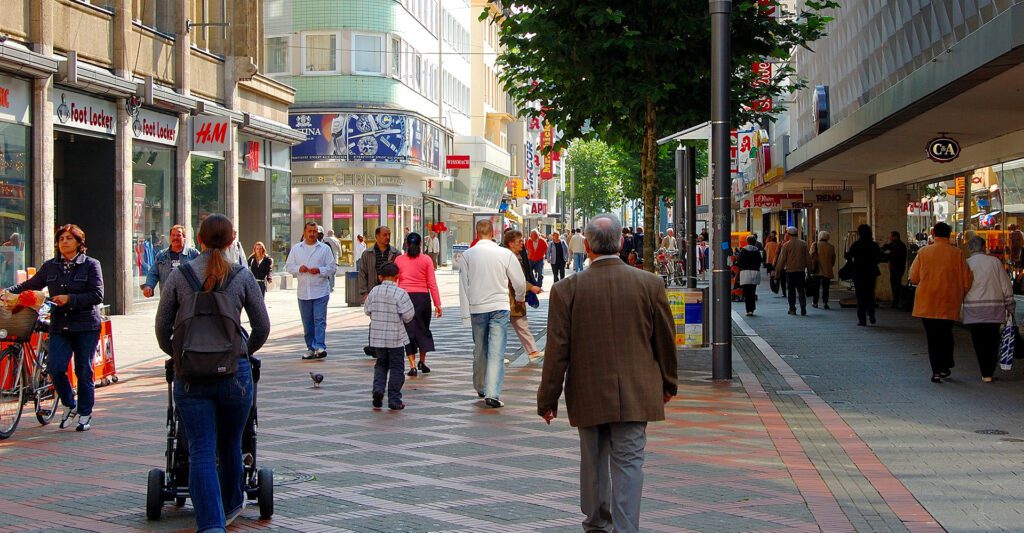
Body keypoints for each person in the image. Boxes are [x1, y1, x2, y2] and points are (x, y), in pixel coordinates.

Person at [538, 213, 678, 533]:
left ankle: (597, 522)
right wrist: (668, 383)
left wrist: (548, 399)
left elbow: (557, 351)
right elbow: (664, 340)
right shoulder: (649, 284)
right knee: (629, 463)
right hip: (636, 391)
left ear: (586, 246)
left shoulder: (566, 289)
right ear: (620, 243)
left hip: (586, 391)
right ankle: (627, 528)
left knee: (593, 461)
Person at [154, 214, 270, 532]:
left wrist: (179, 356)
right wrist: (243, 353)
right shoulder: (242, 275)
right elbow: (262, 326)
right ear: (233, 240)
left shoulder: (181, 275)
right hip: (235, 373)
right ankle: (232, 504)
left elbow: (162, 327)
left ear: (199, 240)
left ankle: (211, 526)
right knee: (232, 441)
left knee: (201, 447)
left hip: (191, 375)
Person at [3, 224, 103, 432]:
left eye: (68, 238)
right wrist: (6, 292)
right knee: (55, 367)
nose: (64, 242)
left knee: (83, 370)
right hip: (60, 325)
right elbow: (30, 285)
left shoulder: (91, 265)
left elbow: (97, 295)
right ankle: (69, 403)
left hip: (86, 325)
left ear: (79, 242)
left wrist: (70, 298)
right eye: (60, 239)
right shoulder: (51, 266)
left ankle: (85, 413)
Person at [459, 219, 527, 408]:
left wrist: (465, 314)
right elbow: (519, 282)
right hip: (499, 306)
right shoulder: (504, 254)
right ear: (493, 233)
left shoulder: (467, 255)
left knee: (480, 349)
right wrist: (520, 297)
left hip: (477, 307)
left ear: (476, 233)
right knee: (496, 351)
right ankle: (492, 392)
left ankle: (480, 386)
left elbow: (463, 285)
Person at [910, 222, 973, 383]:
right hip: (949, 300)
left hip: (927, 301)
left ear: (933, 233)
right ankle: (945, 365)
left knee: (932, 337)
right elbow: (967, 280)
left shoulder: (923, 252)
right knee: (945, 333)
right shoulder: (957, 253)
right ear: (949, 234)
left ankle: (936, 370)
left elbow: (914, 277)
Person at [962, 236, 1015, 383]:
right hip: (994, 309)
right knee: (992, 341)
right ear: (984, 247)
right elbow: (1006, 285)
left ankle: (984, 371)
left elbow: (962, 287)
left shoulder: (966, 264)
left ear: (970, 249)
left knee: (979, 341)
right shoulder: (995, 262)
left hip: (973, 310)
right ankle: (989, 371)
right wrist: (1010, 304)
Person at [365, 262, 416, 410]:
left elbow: (367, 310)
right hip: (396, 338)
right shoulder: (400, 293)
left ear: (380, 277)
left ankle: (378, 390)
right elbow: (409, 315)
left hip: (378, 337)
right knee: (396, 368)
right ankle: (394, 399)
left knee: (381, 364)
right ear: (397, 277)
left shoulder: (374, 292)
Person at [285, 222, 338, 360]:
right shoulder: (297, 249)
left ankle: (320, 346)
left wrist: (320, 270)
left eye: (315, 231)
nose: (312, 234)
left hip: (320, 290)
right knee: (307, 322)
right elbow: (289, 266)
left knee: (319, 319)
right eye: (310, 231)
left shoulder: (324, 249)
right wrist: (298, 269)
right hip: (303, 292)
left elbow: (332, 267)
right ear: (304, 232)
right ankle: (310, 347)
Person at [395, 232, 441, 377]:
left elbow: (396, 282)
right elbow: (432, 283)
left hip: (404, 298)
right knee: (423, 329)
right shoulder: (427, 260)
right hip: (423, 299)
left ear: (407, 244)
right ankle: (423, 361)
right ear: (421, 244)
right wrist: (438, 304)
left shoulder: (399, 260)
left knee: (408, 333)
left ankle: (412, 366)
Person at [357, 226, 401, 356]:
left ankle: (386, 345)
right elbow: (362, 273)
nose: (387, 237)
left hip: (391, 291)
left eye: (389, 234)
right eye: (384, 235)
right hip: (373, 291)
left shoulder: (395, 253)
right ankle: (375, 345)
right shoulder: (367, 253)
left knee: (390, 318)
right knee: (375, 318)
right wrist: (364, 293)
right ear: (377, 237)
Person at [503, 229, 545, 362]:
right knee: (500, 327)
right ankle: (495, 356)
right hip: (509, 297)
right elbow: (516, 280)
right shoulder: (509, 257)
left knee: (520, 324)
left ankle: (532, 351)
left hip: (512, 297)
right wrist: (531, 287)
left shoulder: (516, 255)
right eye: (519, 241)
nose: (522, 243)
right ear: (511, 243)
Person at [142, 224, 200, 298]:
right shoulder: (161, 255)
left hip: (188, 300)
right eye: (173, 235)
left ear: (184, 237)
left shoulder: (193, 254)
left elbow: (202, 272)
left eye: (178, 235)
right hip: (167, 299)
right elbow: (153, 273)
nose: (175, 237)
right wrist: (149, 286)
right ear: (170, 237)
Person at [845, 224, 883, 326]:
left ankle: (862, 320)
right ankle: (871, 314)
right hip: (871, 273)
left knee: (860, 296)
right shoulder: (874, 245)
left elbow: (848, 256)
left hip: (859, 273)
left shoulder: (856, 245)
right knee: (870, 294)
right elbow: (879, 258)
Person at [773, 226, 809, 316]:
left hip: (790, 271)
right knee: (801, 290)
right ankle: (803, 307)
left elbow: (782, 259)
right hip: (800, 270)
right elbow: (808, 258)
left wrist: (778, 270)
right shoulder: (803, 244)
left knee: (791, 290)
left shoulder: (786, 245)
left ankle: (792, 308)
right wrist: (810, 268)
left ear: (788, 234)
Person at [736, 235, 762, 316]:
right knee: (752, 291)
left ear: (747, 241)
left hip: (745, 273)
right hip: (755, 273)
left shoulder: (743, 250)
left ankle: (748, 310)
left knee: (746, 292)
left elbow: (739, 262)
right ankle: (752, 307)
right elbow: (760, 261)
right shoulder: (757, 251)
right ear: (754, 242)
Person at [809, 231, 836, 309]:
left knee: (816, 288)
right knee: (826, 288)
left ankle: (815, 302)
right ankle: (825, 302)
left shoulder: (815, 245)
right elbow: (833, 259)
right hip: (827, 270)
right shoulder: (831, 247)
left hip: (817, 269)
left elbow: (810, 256)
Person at [882, 230, 908, 308]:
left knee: (895, 284)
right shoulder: (895, 244)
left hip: (897, 268)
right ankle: (896, 301)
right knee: (895, 284)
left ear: (895, 237)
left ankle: (897, 301)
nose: (889, 238)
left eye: (891, 236)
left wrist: (883, 255)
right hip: (895, 267)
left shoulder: (899, 246)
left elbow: (892, 255)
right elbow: (886, 247)